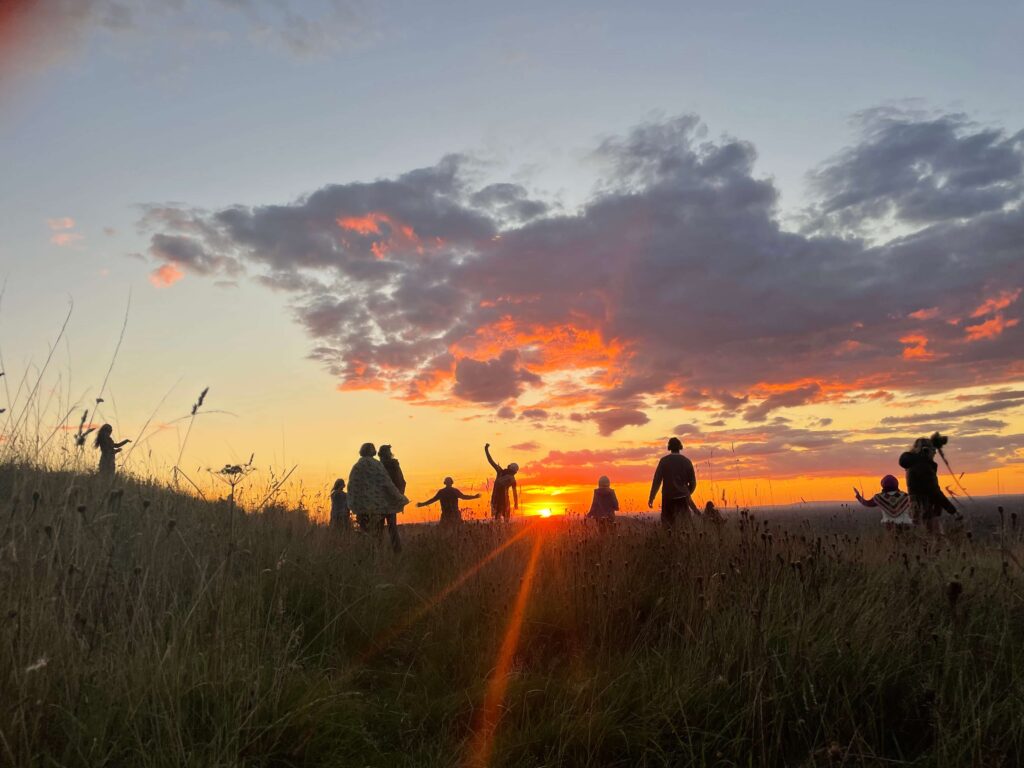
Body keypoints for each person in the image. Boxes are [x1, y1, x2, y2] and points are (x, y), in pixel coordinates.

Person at [347, 443, 408, 552]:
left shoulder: (357, 466)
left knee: (371, 532)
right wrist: (399, 497)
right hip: (383, 505)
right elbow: (388, 483)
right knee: (390, 529)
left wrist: (353, 503)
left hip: (365, 507)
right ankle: (393, 552)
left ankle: (373, 553)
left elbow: (352, 486)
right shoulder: (377, 465)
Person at [899, 437, 958, 535]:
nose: (935, 453)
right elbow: (934, 491)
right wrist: (952, 510)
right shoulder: (923, 466)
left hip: (916, 506)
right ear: (926, 450)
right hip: (925, 506)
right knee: (935, 538)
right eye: (933, 450)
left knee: (921, 537)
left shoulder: (913, 464)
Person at [648, 437, 697, 528]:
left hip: (668, 498)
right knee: (685, 526)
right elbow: (693, 483)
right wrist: (687, 493)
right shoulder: (687, 461)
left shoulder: (664, 461)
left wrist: (652, 497)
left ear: (669, 447)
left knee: (668, 526)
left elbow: (657, 481)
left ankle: (670, 541)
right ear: (680, 447)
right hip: (683, 498)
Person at [484, 443, 519, 521]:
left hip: (496, 498)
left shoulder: (500, 471)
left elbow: (491, 461)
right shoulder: (513, 480)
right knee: (506, 519)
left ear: (509, 467)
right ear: (515, 472)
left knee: (497, 519)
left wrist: (486, 450)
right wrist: (516, 504)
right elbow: (515, 493)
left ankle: (498, 531)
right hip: (505, 500)